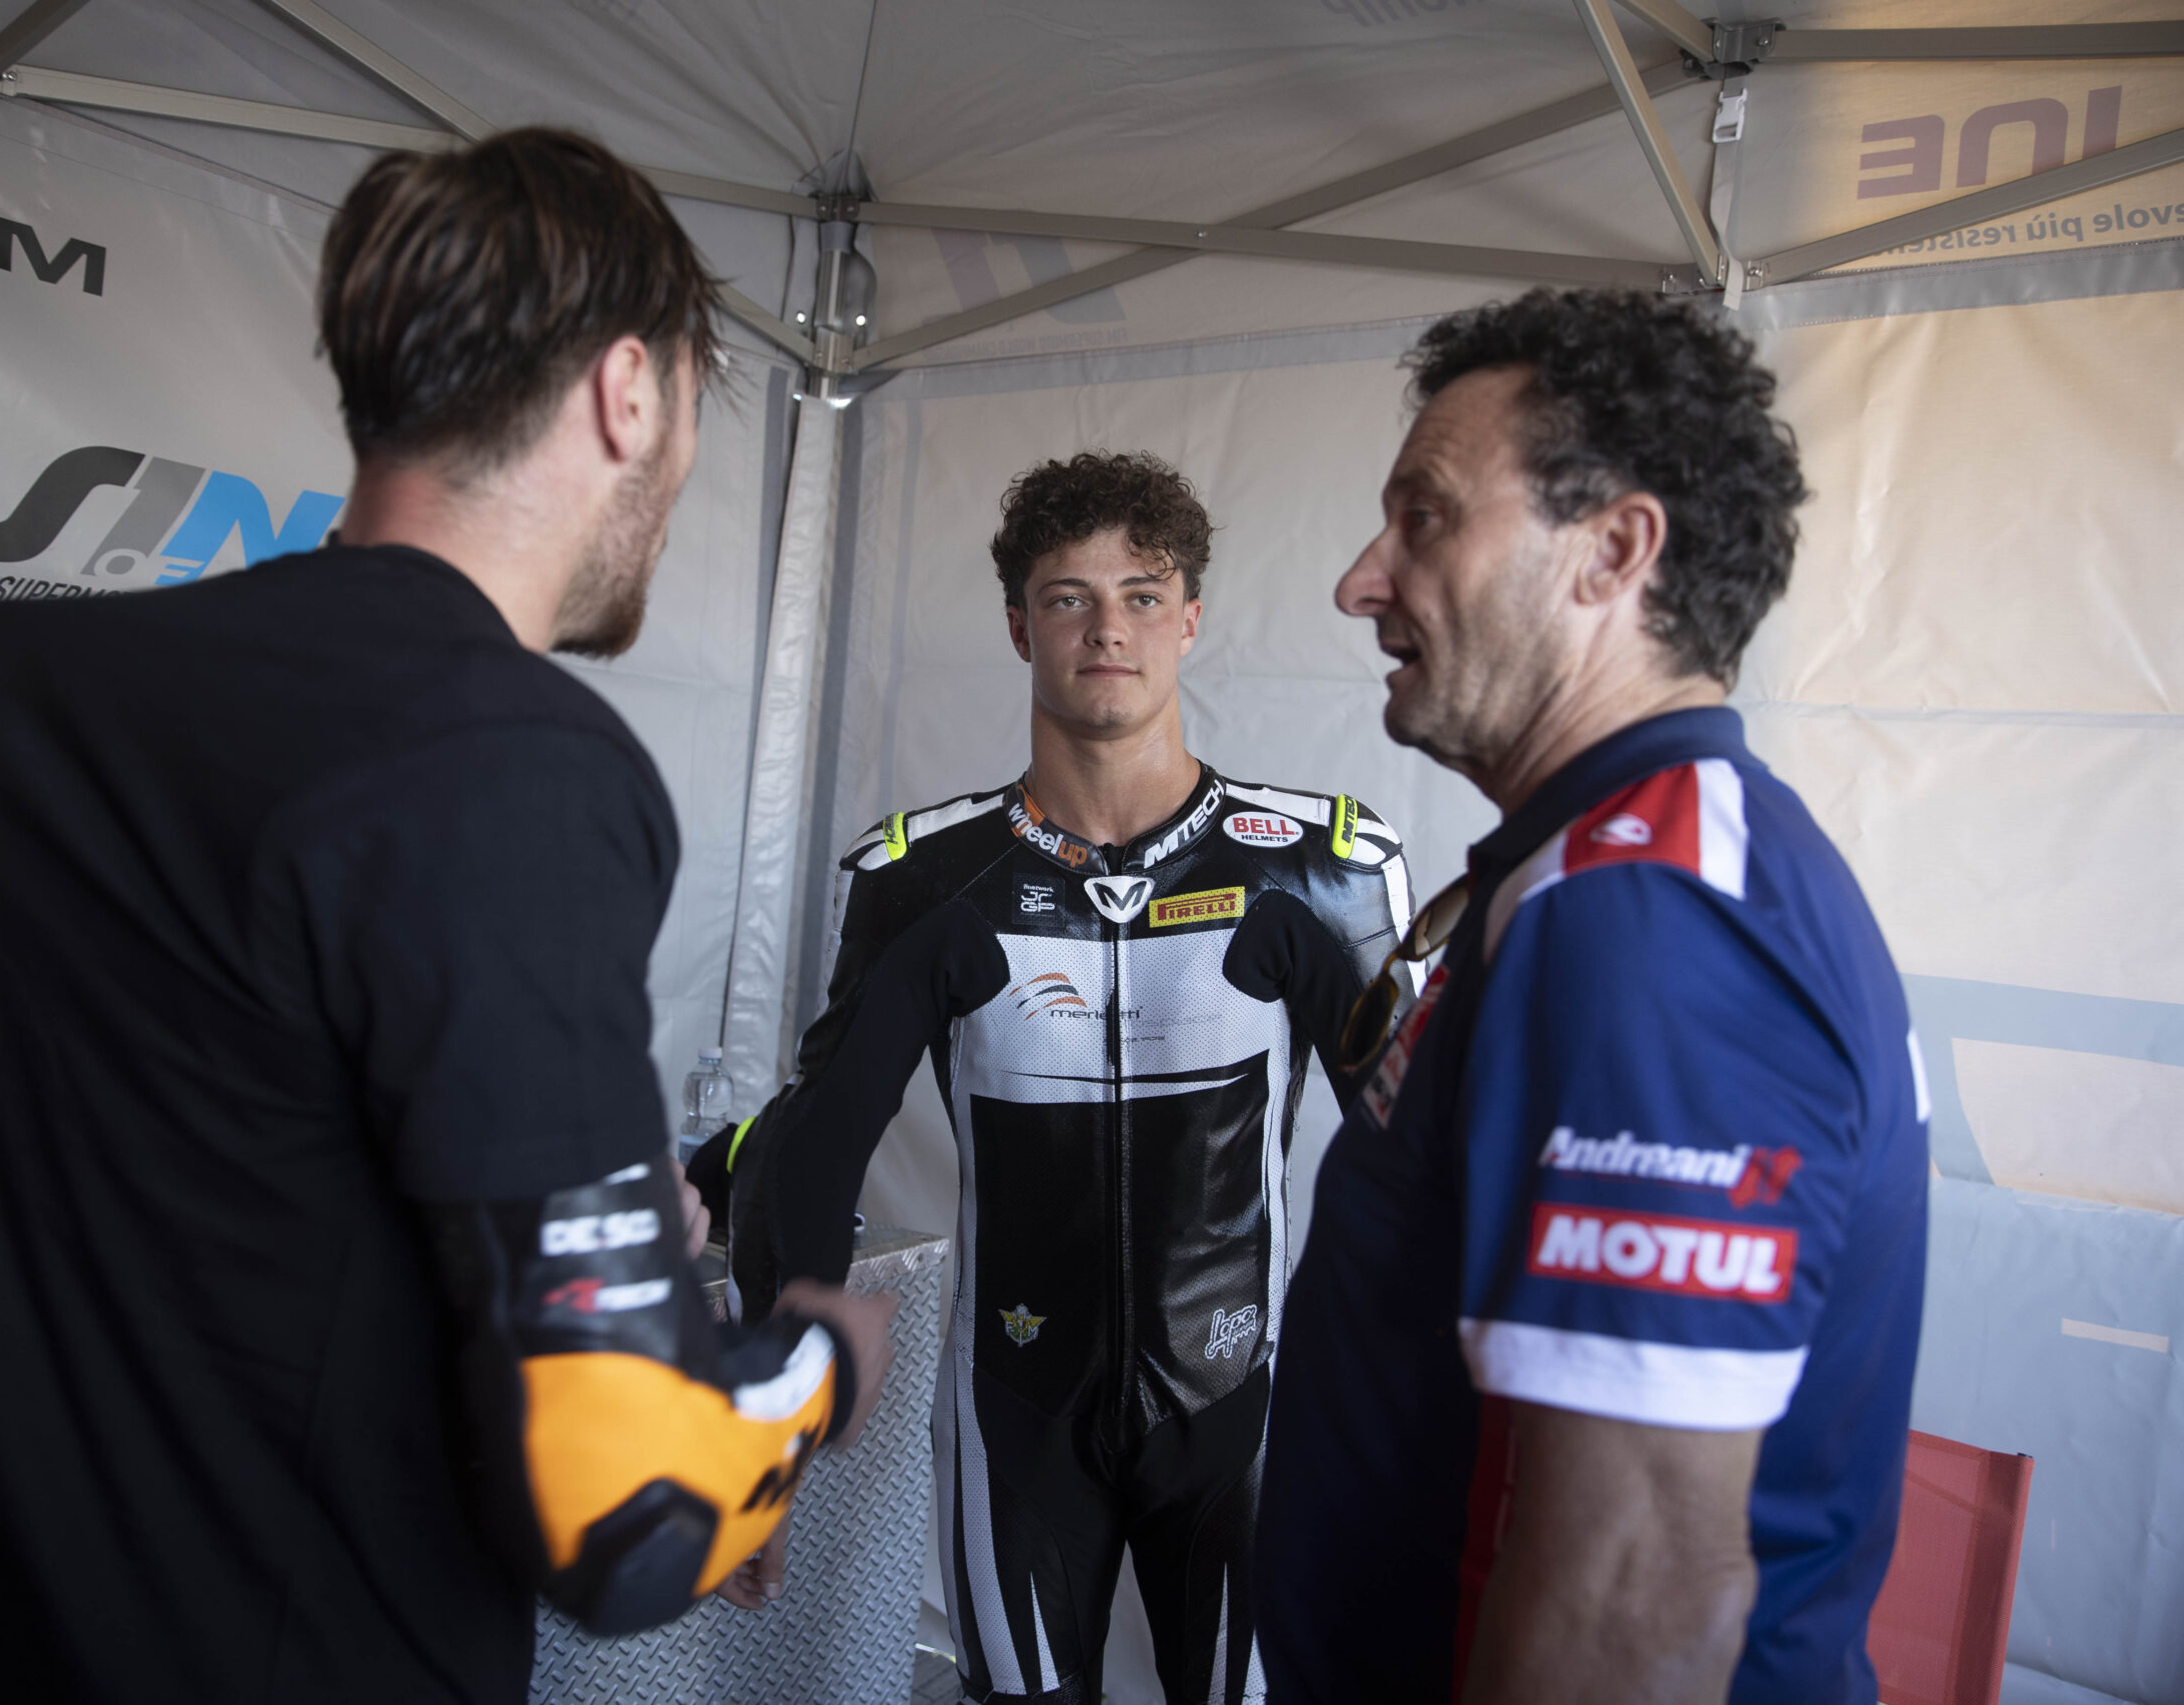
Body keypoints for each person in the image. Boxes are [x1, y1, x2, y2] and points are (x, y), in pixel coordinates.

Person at [0, 129, 892, 1701]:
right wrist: (812, 1363)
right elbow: (635, 1506)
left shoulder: (8, 685)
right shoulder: (511, 756)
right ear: (629, 392)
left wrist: (551, 1243)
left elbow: (182, 1197)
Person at [1253, 290, 1927, 1704]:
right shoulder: (1612, 869)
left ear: (1612, 552)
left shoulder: (1650, 910)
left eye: (1425, 517)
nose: (1362, 581)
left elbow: (1636, 1593)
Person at [702, 452, 1410, 1703]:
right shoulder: (924, 879)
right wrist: (766, 1440)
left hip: (1243, 1408)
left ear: (1190, 619)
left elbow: (1422, 1165)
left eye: (1142, 595)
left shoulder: (1319, 869)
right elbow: (817, 1147)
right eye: (1069, 597)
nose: (1107, 630)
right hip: (1016, 1413)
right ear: (1019, 625)